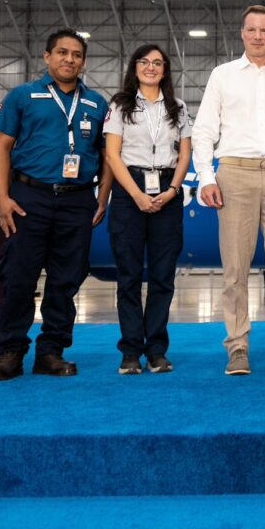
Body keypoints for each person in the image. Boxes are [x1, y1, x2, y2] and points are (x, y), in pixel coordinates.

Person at [0, 29, 111, 381]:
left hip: (77, 200)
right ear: (47, 56)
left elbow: (106, 156)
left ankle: (51, 351)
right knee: (18, 276)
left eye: (77, 55)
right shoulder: (23, 96)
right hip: (29, 197)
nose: (69, 59)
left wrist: (102, 197)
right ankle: (10, 351)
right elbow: (1, 148)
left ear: (83, 61)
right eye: (62, 52)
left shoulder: (97, 103)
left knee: (66, 279)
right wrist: (2, 198)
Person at [192, 5, 265, 376]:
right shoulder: (222, 76)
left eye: (264, 30)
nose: (257, 36)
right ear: (242, 33)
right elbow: (203, 131)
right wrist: (206, 177)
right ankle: (237, 347)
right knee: (235, 268)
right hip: (234, 174)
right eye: (251, 30)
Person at [103, 44, 192, 376]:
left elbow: (185, 154)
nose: (151, 67)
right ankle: (130, 351)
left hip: (167, 190)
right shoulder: (119, 105)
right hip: (130, 190)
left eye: (157, 63)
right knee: (128, 276)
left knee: (162, 276)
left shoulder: (178, 107)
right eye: (144, 62)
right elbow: (112, 155)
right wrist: (137, 194)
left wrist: (172, 190)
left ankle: (156, 350)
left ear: (165, 69)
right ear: (135, 67)